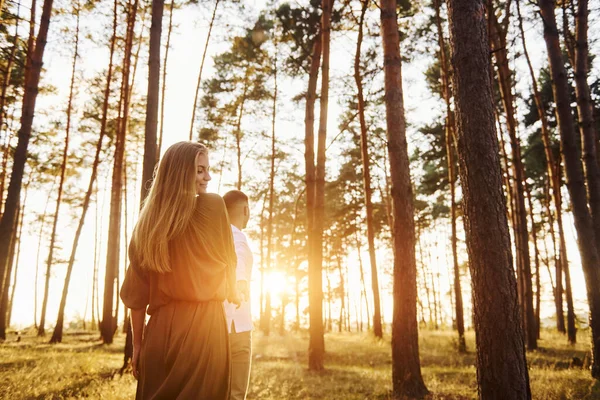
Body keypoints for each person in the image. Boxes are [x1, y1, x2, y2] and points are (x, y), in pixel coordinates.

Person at [120, 141, 240, 400]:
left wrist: (138, 346)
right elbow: (230, 260)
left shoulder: (147, 226)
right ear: (179, 173)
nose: (208, 177)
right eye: (199, 170)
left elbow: (136, 298)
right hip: (204, 330)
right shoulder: (213, 206)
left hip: (159, 332)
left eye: (207, 169)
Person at [223, 190, 253, 400]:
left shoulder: (215, 237)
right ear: (245, 210)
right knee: (235, 395)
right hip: (238, 328)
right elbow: (239, 256)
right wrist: (240, 281)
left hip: (215, 326)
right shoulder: (237, 236)